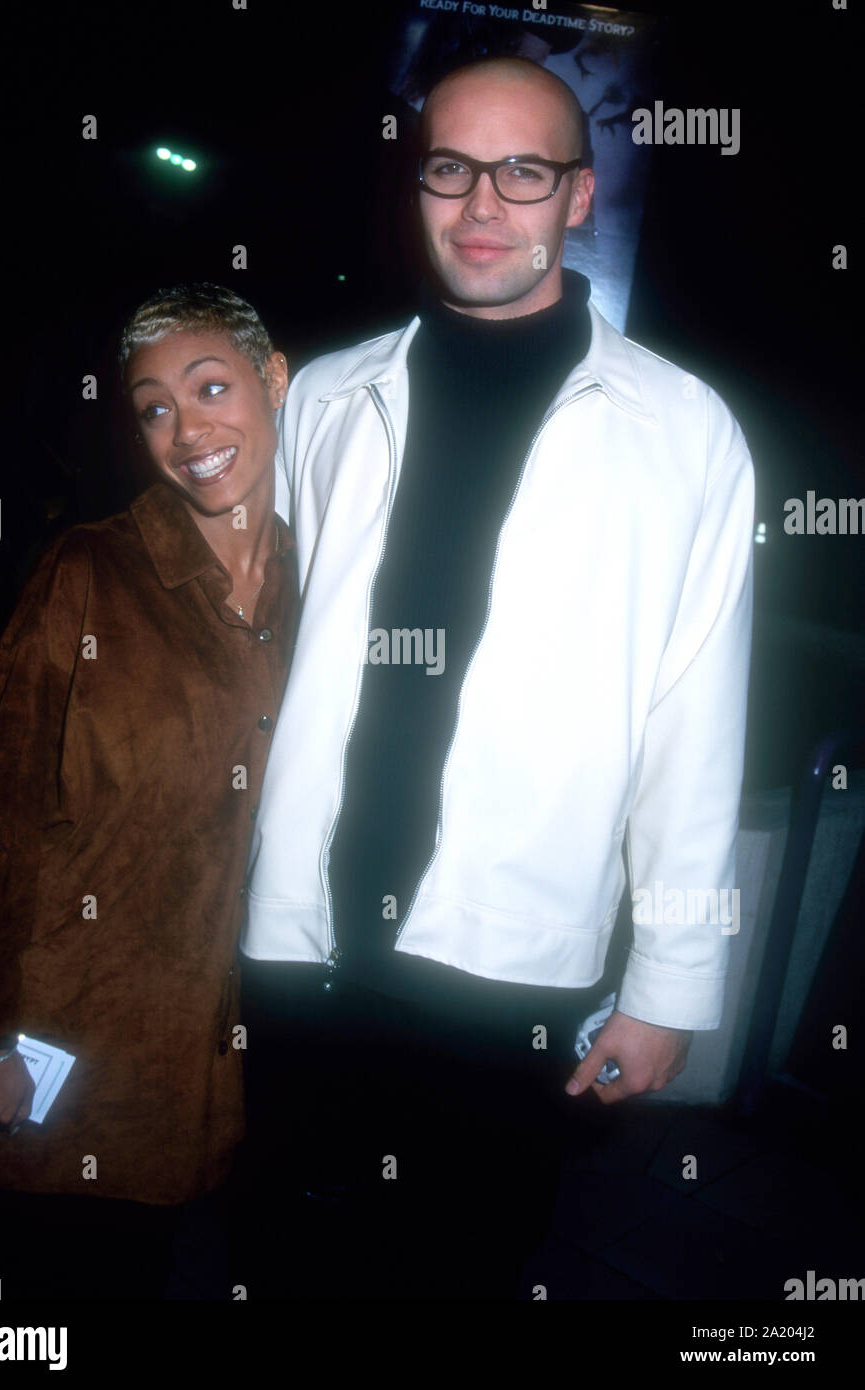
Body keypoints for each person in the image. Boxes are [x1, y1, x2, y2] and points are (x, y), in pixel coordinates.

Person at [238, 57, 754, 1300]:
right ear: (414, 184)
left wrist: (671, 986)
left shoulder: (685, 431)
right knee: (301, 1254)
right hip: (306, 944)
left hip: (510, 963)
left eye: (523, 171)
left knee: (468, 1263)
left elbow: (698, 727)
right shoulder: (325, 394)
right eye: (451, 168)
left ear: (579, 196)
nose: (483, 204)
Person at [0, 283, 297, 1299]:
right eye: (153, 407)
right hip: (65, 1036)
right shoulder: (87, 572)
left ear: (274, 381)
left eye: (211, 386)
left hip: (224, 1049)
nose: (185, 430)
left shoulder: (328, 583)